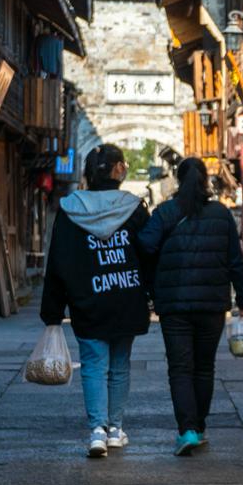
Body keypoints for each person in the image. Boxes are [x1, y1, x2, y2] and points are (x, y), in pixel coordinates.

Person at [39, 143, 152, 458]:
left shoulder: (71, 209)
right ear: (118, 170)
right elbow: (149, 253)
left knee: (92, 365)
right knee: (119, 366)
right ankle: (115, 429)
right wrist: (154, 293)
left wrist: (52, 310)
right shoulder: (133, 208)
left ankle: (97, 431)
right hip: (127, 297)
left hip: (87, 300)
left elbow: (58, 260)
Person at [136, 156, 243, 456]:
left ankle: (186, 430)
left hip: (174, 305)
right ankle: (198, 428)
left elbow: (144, 245)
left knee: (180, 368)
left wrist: (155, 277)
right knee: (203, 368)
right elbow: (236, 261)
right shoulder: (221, 214)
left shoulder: (165, 213)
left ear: (178, 179)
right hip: (212, 305)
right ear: (205, 181)